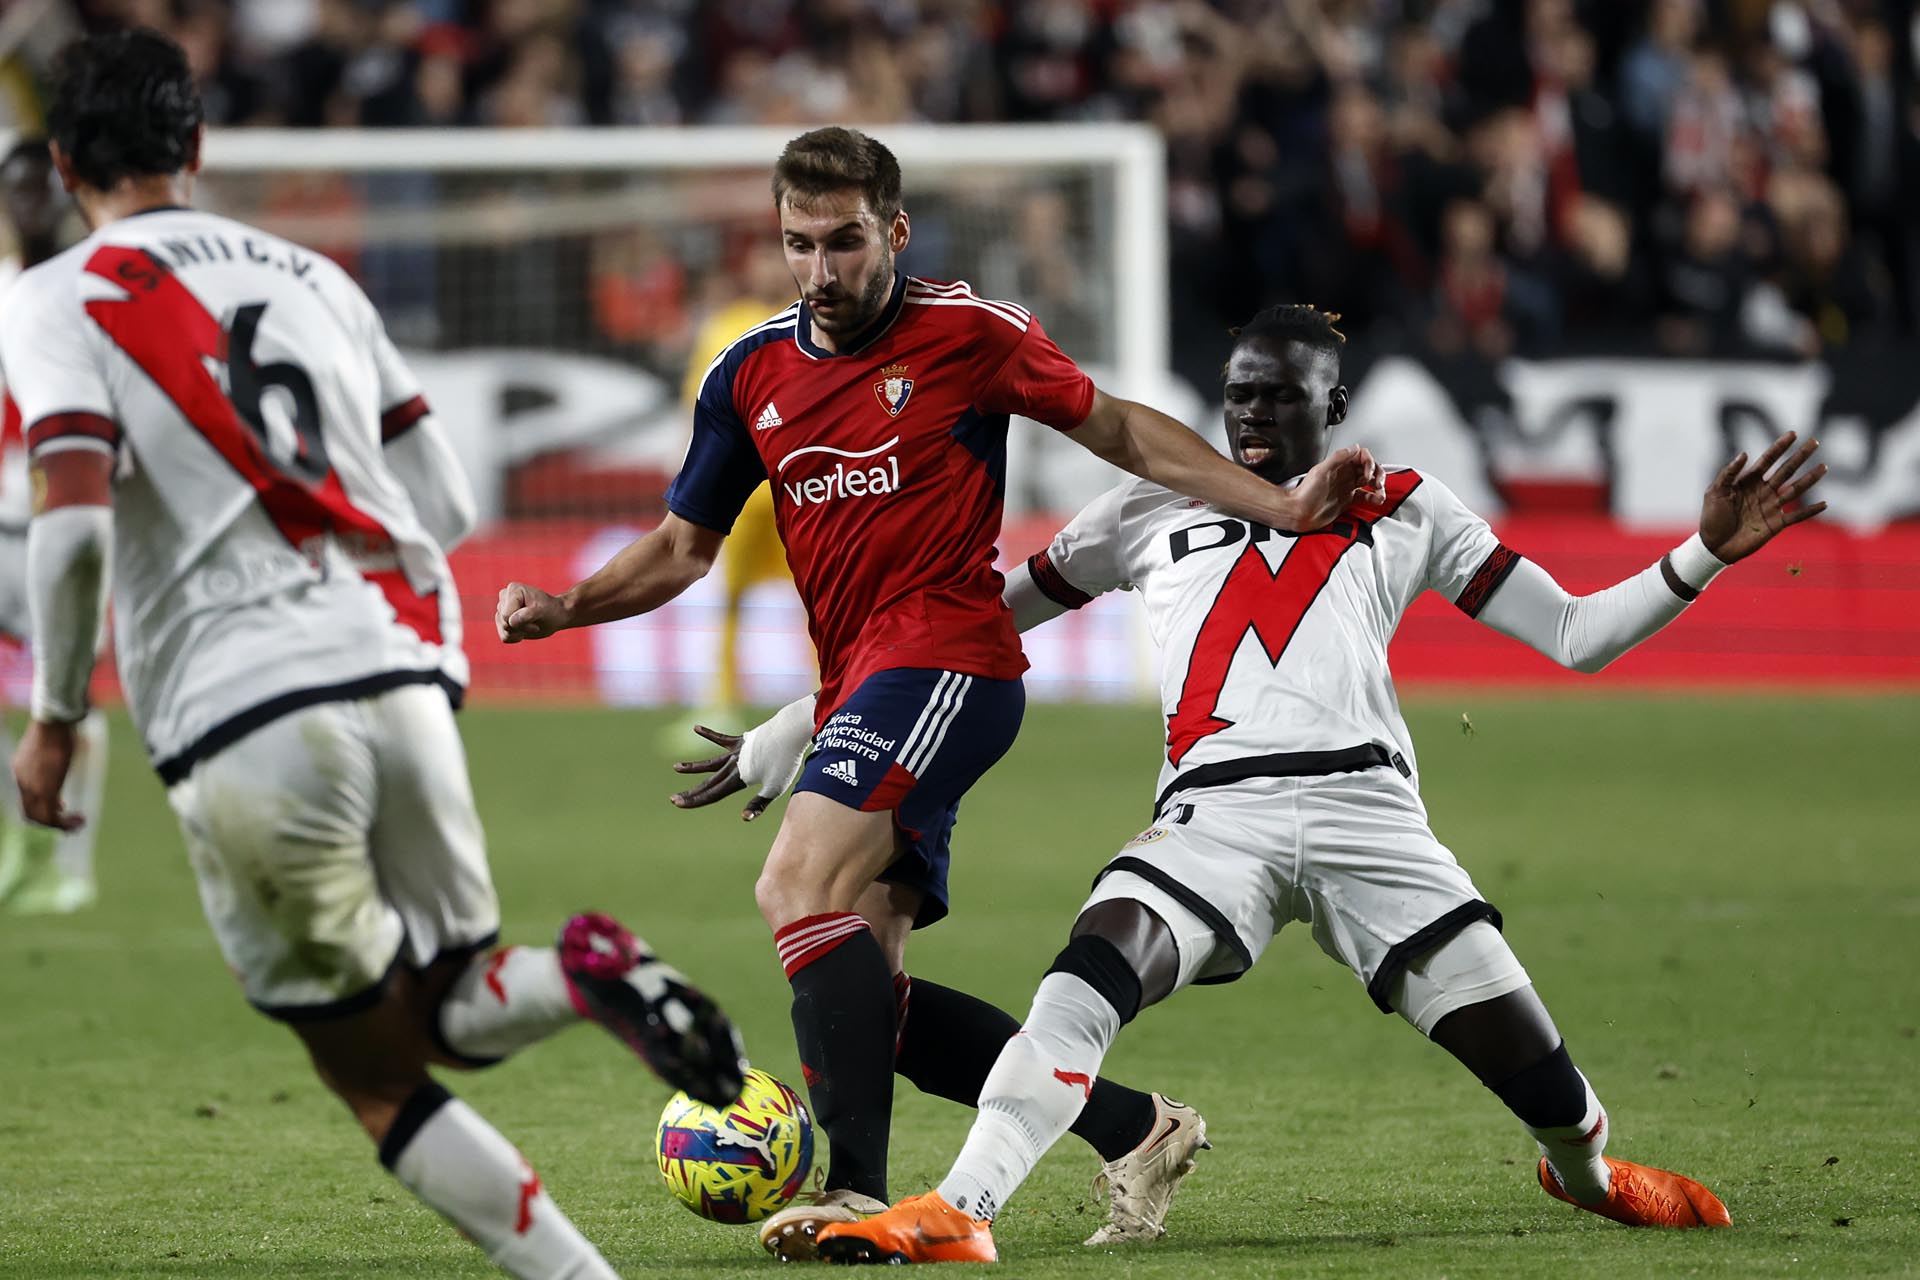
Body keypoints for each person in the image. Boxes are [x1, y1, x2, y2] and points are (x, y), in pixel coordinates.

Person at [704, 304, 1826, 1262]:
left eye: (1280, 396)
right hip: (1211, 819)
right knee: (1081, 985)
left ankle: (1584, 1173)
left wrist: (1705, 552)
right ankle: (960, 1208)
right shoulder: (1147, 505)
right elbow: (964, 623)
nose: (1250, 414)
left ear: (1331, 408)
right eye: (1238, 392)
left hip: (1371, 821)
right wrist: (801, 721)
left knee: (1549, 1087)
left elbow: (1577, 633)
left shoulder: (1405, 505)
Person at [495, 128, 1382, 1260]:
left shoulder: (969, 333)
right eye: (798, 245)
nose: (822, 270)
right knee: (875, 993)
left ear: (895, 231)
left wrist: (1279, 504)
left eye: (846, 241)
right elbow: (679, 549)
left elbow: (1114, 427)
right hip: (864, 682)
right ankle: (1137, 1127)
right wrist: (568, 605)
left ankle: (856, 1190)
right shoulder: (750, 376)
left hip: (952, 656)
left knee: (795, 878)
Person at [3, 31, 746, 1280]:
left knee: (371, 1070)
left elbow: (70, 521)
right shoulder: (315, 278)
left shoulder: (53, 294)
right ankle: (579, 973)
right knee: (453, 998)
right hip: (400, 667)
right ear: (196, 146)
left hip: (245, 706)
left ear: (66, 161)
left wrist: (61, 712)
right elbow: (444, 502)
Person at [0, 136, 109, 915]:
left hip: (52, 520)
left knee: (68, 696)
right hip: (18, 516)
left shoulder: (64, 293)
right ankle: (33, 851)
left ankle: (69, 863)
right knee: (61, 697)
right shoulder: (35, 289)